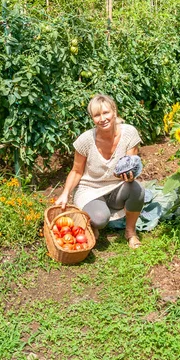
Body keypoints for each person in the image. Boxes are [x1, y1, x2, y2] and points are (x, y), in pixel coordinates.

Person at [55, 94, 145, 249]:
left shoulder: (129, 133)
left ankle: (130, 232)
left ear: (114, 112)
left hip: (117, 187)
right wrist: (65, 193)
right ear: (92, 118)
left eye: (106, 113)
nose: (102, 118)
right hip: (90, 189)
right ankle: (93, 221)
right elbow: (76, 171)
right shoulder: (85, 140)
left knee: (137, 190)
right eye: (97, 115)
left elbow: (130, 164)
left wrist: (129, 177)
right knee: (100, 219)